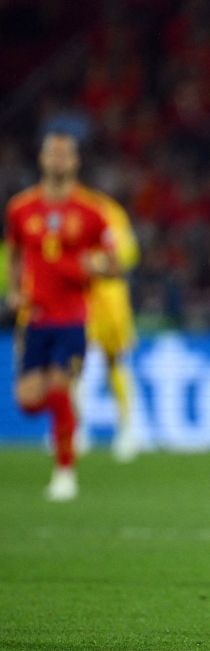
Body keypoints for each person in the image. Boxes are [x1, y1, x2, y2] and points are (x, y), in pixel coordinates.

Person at [4, 132, 118, 501]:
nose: (57, 160)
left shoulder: (91, 211)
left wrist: (95, 265)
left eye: (64, 155)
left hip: (72, 318)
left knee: (59, 386)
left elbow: (114, 263)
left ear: (75, 162)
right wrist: (14, 289)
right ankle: (70, 419)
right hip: (33, 317)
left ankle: (64, 472)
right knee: (28, 400)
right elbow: (16, 254)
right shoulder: (21, 208)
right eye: (51, 154)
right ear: (41, 160)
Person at [78, 191, 140, 462]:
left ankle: (128, 429)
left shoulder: (109, 211)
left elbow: (128, 253)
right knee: (73, 364)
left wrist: (97, 263)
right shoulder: (66, 209)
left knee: (115, 361)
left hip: (110, 297)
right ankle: (74, 430)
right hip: (78, 295)